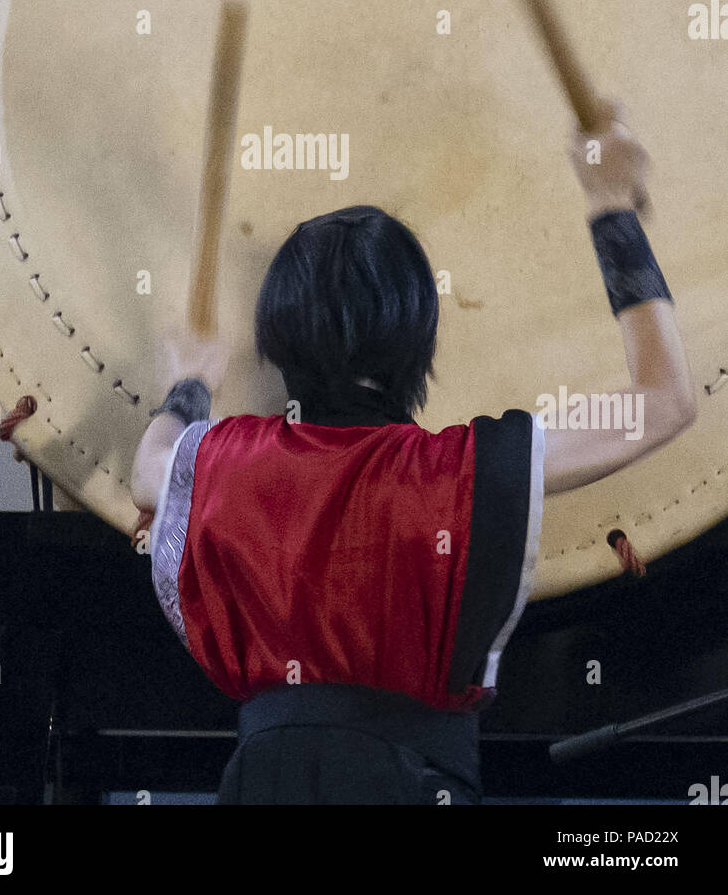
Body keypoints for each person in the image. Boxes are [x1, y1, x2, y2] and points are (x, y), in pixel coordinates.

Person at [131, 103, 696, 804]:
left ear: (276, 340)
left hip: (259, 782)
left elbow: (148, 466)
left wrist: (190, 382)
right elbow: (665, 400)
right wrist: (611, 208)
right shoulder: (459, 473)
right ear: (418, 337)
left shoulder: (224, 460)